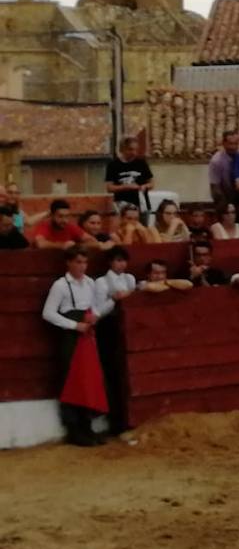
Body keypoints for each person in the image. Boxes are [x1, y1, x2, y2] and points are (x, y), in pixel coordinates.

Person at [42, 249, 108, 446]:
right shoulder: (60, 285)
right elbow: (48, 313)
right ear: (68, 263)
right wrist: (74, 325)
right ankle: (74, 430)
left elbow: (96, 305)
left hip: (87, 336)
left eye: (84, 263)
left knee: (87, 381)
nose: (82, 266)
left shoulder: (90, 282)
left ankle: (86, 427)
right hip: (70, 337)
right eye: (78, 262)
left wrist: (94, 315)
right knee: (71, 381)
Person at [94, 246, 136, 436]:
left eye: (123, 260)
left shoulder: (130, 279)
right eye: (117, 260)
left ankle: (126, 420)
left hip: (129, 332)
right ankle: (116, 422)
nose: (121, 264)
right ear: (110, 262)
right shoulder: (101, 283)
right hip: (109, 333)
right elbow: (98, 313)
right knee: (112, 376)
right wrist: (114, 299)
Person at [104, 137, 154, 219]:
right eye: (130, 149)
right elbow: (109, 187)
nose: (133, 153)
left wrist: (145, 186)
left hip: (142, 203)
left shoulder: (141, 163)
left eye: (135, 150)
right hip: (122, 204)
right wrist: (126, 187)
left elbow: (151, 183)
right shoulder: (113, 165)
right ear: (123, 149)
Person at [208, 129, 239, 209]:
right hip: (223, 198)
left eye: (236, 144)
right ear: (224, 143)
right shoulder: (216, 161)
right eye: (230, 144)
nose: (234, 147)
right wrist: (226, 207)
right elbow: (215, 187)